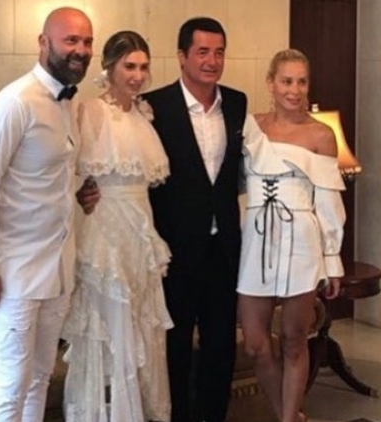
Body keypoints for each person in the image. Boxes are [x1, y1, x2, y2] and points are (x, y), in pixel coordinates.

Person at [0, 7, 93, 422]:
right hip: (16, 272)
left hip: (59, 268)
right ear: (43, 42)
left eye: (87, 41)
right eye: (71, 40)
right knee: (12, 383)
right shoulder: (15, 102)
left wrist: (80, 189)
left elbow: (49, 176)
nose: (81, 50)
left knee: (41, 377)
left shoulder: (70, 103)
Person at [61, 31, 173, 422]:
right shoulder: (91, 110)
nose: (138, 75)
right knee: (111, 328)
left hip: (140, 231)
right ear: (109, 67)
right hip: (105, 232)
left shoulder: (144, 115)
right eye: (129, 66)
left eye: (143, 67)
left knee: (142, 325)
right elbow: (67, 167)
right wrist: (80, 191)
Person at [142, 17, 248, 422]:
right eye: (202, 52)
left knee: (221, 344)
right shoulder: (154, 107)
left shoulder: (236, 103)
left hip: (224, 248)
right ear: (182, 56)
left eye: (219, 52)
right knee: (176, 344)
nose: (212, 61)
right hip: (175, 249)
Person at [237, 48, 345, 422]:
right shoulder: (249, 127)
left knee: (294, 341)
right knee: (255, 343)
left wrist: (332, 260)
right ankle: (290, 414)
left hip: (301, 240)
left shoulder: (321, 134)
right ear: (271, 83)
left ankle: (287, 419)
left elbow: (329, 203)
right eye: (286, 81)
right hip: (256, 238)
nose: (294, 90)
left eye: (301, 82)